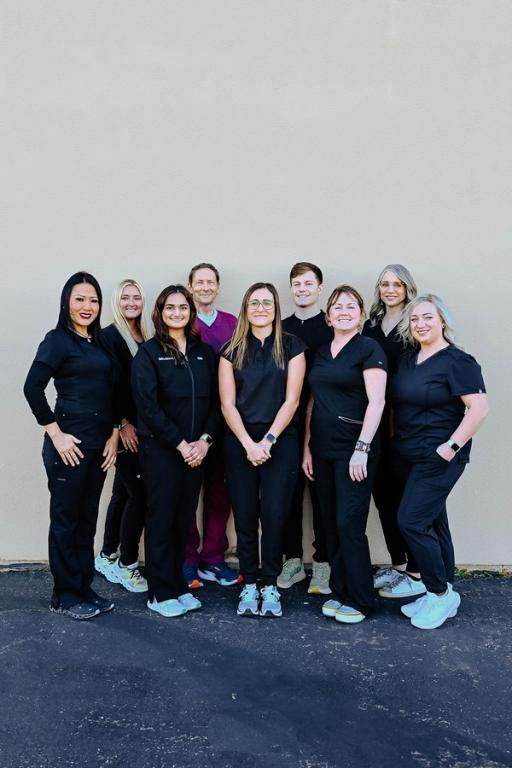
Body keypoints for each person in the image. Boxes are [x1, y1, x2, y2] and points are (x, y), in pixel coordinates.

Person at [23, 272, 119, 620]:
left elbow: (110, 392)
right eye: (80, 299)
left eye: (93, 300)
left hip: (98, 446)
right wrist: (56, 433)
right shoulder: (57, 340)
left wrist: (113, 433)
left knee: (86, 520)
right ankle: (64, 594)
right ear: (67, 301)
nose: (87, 306)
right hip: (69, 448)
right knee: (65, 521)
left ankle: (82, 586)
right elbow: (32, 388)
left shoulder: (99, 343)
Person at [389, 294, 489, 629]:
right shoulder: (408, 359)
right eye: (415, 319)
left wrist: (451, 446)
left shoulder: (458, 361)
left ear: (442, 321)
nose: (421, 324)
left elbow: (479, 409)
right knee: (433, 522)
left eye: (428, 317)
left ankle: (438, 593)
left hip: (440, 457)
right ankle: (444, 590)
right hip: (407, 455)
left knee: (412, 521)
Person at [131, 284, 219, 617]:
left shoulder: (203, 352)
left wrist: (204, 441)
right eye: (170, 308)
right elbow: (148, 406)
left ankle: (178, 586)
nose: (177, 313)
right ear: (160, 312)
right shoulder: (150, 353)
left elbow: (215, 402)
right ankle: (160, 592)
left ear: (191, 312)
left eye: (183, 307)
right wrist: (181, 444)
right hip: (163, 450)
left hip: (196, 452)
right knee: (162, 519)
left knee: (183, 520)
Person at [219, 283, 306, 618]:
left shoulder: (293, 346)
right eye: (253, 303)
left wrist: (267, 441)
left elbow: (293, 400)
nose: (260, 308)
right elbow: (227, 403)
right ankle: (249, 582)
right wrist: (247, 444)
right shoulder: (230, 350)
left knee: (273, 516)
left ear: (275, 308)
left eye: (266, 303)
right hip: (239, 441)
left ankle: (269, 583)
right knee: (244, 516)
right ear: (245, 308)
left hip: (279, 442)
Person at [303, 285, 387, 624]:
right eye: (337, 306)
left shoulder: (369, 348)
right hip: (322, 449)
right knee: (328, 523)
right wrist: (307, 445)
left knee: (349, 524)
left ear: (361, 315)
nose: (343, 311)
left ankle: (362, 599)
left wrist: (362, 449)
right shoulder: (321, 352)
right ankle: (340, 591)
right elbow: (313, 400)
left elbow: (377, 402)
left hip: (355, 451)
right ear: (328, 316)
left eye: (351, 306)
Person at [362, 264, 424, 599]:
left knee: (406, 500)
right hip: (376, 420)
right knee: (383, 495)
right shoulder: (371, 324)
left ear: (407, 288)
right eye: (384, 284)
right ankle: (399, 565)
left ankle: (417, 570)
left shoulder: (414, 323)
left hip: (404, 420)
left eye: (397, 285)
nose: (390, 290)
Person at [184, 263, 240, 588]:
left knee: (221, 492)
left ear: (217, 286)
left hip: (226, 419)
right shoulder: (180, 319)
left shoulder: (232, 324)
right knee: (188, 494)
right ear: (190, 286)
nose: (205, 287)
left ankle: (213, 559)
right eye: (199, 282)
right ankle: (188, 559)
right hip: (190, 421)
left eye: (210, 282)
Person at [278, 262, 333, 594]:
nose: (302, 289)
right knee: (287, 495)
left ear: (320, 288)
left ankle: (323, 563)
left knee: (323, 495)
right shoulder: (280, 328)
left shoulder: (333, 325)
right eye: (296, 284)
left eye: (308, 283)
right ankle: (293, 559)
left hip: (324, 423)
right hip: (286, 424)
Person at [95, 279, 152, 593]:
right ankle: (125, 564)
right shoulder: (108, 337)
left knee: (123, 492)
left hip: (144, 429)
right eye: (125, 297)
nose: (131, 302)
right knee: (139, 495)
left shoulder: (143, 335)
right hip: (127, 429)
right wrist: (122, 424)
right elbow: (109, 386)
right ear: (117, 301)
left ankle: (106, 554)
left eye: (137, 297)